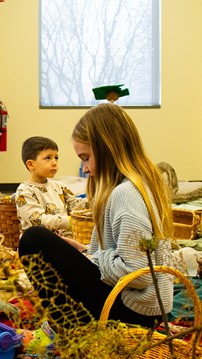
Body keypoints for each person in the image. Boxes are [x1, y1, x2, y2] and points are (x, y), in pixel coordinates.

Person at [18, 104, 175, 328]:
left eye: (86, 158)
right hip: (141, 308)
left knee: (34, 240)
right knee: (51, 246)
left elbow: (138, 275)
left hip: (133, 311)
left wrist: (94, 259)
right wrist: (83, 251)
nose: (86, 169)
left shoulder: (125, 194)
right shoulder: (133, 185)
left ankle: (70, 332)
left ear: (107, 149)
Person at [14, 136, 88, 235]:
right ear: (31, 164)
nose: (54, 163)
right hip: (38, 242)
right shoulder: (24, 191)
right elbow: (38, 220)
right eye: (48, 158)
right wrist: (69, 221)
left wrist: (95, 201)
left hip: (65, 239)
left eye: (56, 158)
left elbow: (75, 205)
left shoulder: (60, 186)